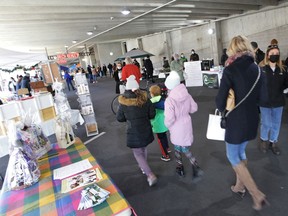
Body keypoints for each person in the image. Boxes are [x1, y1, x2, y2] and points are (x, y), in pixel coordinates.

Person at [216, 35, 268, 211]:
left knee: (232, 156)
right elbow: (263, 98)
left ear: (232, 49)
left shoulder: (230, 70)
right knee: (240, 152)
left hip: (235, 122)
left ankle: (256, 193)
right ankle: (240, 186)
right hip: (253, 120)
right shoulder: (258, 70)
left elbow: (219, 103)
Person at [116, 75, 157, 187]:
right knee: (143, 148)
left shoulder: (123, 102)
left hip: (133, 130)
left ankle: (149, 174)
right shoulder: (145, 99)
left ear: (127, 89)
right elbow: (152, 114)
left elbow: (119, 118)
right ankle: (144, 167)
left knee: (138, 153)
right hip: (146, 128)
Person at [164, 71, 203, 181]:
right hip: (186, 123)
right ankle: (180, 167)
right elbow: (194, 108)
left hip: (176, 126)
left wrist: (166, 125)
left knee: (180, 147)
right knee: (183, 146)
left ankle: (191, 166)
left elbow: (170, 119)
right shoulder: (187, 94)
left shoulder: (169, 100)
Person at [258, 44, 288, 155]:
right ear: (267, 55)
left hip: (278, 102)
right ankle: (263, 140)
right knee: (266, 123)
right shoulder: (261, 69)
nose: (274, 55)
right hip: (264, 102)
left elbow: (286, 84)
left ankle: (273, 142)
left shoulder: (283, 69)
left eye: (277, 54)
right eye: (272, 54)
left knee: (276, 123)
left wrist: (285, 89)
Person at [149, 85, 171, 162]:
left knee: (160, 140)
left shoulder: (151, 102)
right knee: (164, 136)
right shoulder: (164, 100)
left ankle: (165, 155)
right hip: (165, 121)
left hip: (157, 124)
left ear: (152, 93)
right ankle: (167, 148)